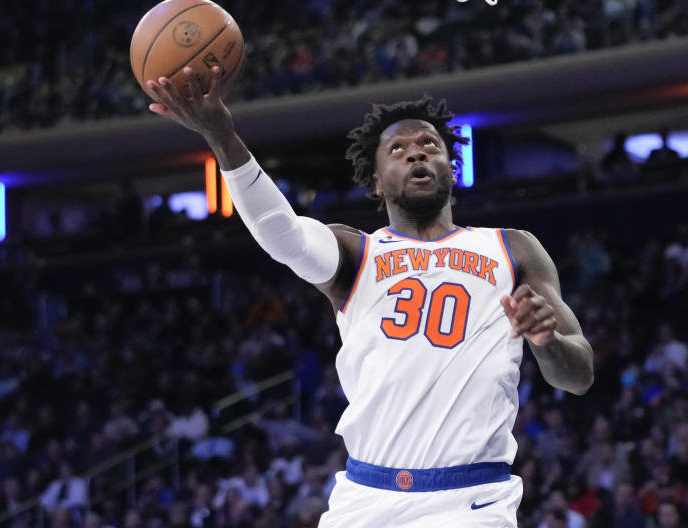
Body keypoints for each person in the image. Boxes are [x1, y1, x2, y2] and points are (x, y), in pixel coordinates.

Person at [146, 67, 595, 527]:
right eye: (397, 150)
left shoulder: (512, 248)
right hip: (364, 499)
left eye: (430, 145)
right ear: (377, 181)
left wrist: (548, 342)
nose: (416, 152)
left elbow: (578, 376)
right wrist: (223, 136)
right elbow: (280, 233)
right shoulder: (355, 251)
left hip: (469, 501)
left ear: (450, 168)